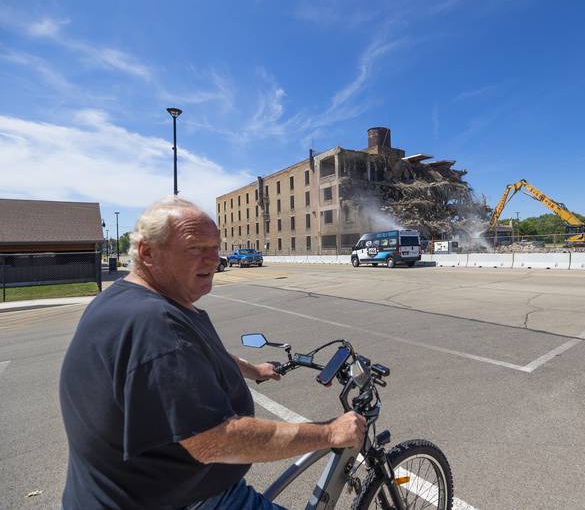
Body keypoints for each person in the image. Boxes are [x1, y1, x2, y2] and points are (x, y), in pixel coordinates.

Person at [59, 196, 365, 509]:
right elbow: (215, 440)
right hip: (184, 500)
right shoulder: (154, 324)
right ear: (148, 252)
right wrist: (329, 432)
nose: (213, 260)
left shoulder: (124, 301)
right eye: (195, 248)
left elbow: (188, 357)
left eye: (215, 248)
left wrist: (253, 370)